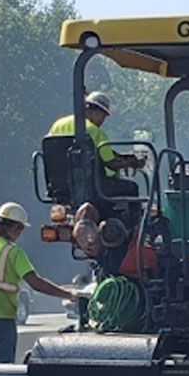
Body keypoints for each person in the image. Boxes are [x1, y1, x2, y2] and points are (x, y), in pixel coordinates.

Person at [0, 202, 77, 363]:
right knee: (3, 367)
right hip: (0, 317)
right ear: (16, 228)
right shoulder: (13, 252)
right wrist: (68, 294)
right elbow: (35, 282)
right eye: (20, 229)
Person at [48, 91, 145, 257]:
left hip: (63, 188)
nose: (102, 121)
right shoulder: (95, 132)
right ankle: (135, 233)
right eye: (103, 116)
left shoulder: (58, 125)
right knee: (131, 188)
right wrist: (131, 162)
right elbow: (110, 162)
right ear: (94, 110)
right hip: (92, 188)